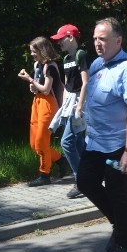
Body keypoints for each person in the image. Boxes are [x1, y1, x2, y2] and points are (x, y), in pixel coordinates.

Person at [77, 18, 127, 252]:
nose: (97, 43)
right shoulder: (97, 64)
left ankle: (125, 245)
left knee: (118, 194)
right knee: (85, 181)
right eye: (95, 38)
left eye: (103, 39)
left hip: (118, 144)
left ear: (118, 40)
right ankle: (122, 223)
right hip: (95, 142)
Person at [17, 36, 70, 187]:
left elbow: (46, 90)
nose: (32, 54)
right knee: (34, 143)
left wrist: (30, 80)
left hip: (49, 104)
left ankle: (44, 175)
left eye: (34, 51)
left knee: (41, 142)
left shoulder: (51, 66)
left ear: (42, 50)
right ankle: (61, 160)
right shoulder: (37, 65)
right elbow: (38, 86)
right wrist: (32, 85)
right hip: (38, 103)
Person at [49, 24, 89, 199]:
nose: (59, 44)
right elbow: (66, 84)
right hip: (69, 103)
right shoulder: (65, 59)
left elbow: (85, 82)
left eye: (61, 39)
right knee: (79, 142)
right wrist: (64, 104)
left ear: (71, 37)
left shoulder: (81, 54)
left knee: (66, 142)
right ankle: (90, 176)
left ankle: (80, 181)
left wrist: (80, 106)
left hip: (80, 103)